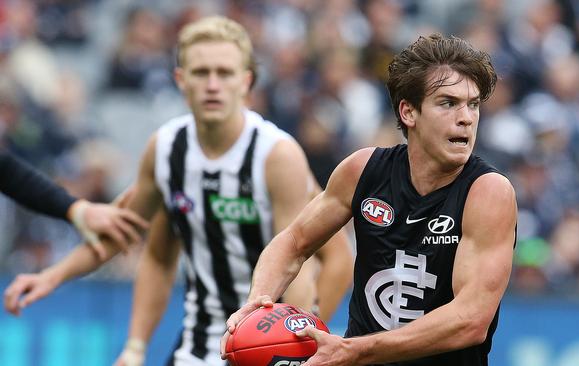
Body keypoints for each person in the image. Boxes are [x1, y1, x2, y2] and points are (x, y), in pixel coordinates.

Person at [2, 15, 353, 366]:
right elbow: (142, 245)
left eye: (224, 73)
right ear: (180, 80)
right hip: (196, 345)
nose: (212, 84)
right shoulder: (167, 148)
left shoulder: (277, 154)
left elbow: (314, 258)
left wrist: (298, 340)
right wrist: (132, 343)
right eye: (201, 73)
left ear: (246, 82)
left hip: (262, 347)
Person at [223, 33, 517, 366]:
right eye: (448, 103)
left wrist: (355, 350)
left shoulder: (488, 192)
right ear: (408, 111)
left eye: (473, 104)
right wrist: (258, 300)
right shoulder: (363, 170)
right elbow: (293, 241)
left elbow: (470, 322)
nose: (466, 117)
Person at [0, 149, 148, 253]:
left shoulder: (104, 204)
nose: (97, 182)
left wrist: (78, 210)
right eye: (93, 174)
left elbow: (7, 170)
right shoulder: (37, 210)